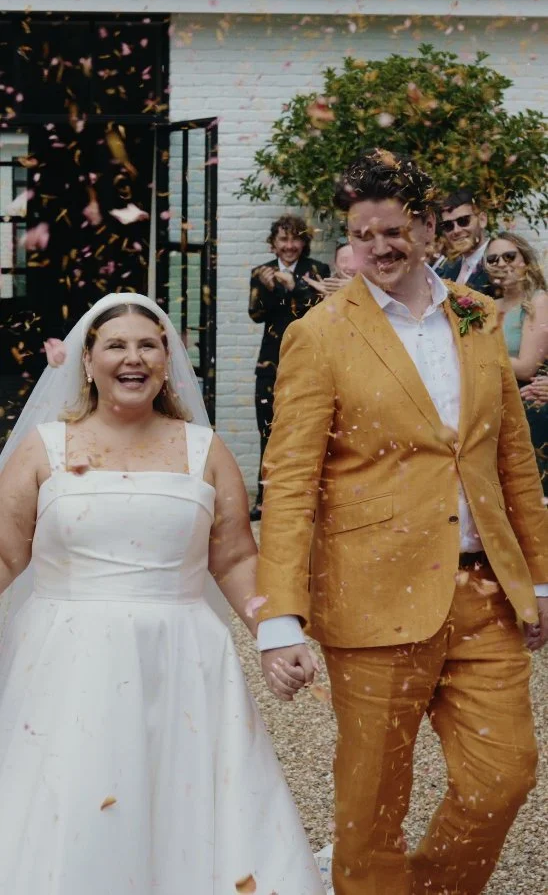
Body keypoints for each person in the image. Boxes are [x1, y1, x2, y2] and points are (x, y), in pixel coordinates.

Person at [255, 150, 548, 895]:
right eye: (363, 234)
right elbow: (290, 482)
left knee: (504, 776)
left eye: (393, 231)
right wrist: (280, 615)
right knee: (372, 803)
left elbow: (512, 458)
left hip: (484, 595)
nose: (379, 248)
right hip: (372, 595)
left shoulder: (477, 314)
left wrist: (540, 580)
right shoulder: (319, 334)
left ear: (426, 228)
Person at [0, 293, 324, 895]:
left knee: (183, 799)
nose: (134, 358)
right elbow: (5, 552)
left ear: (166, 360)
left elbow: (234, 557)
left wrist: (277, 635)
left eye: (148, 345)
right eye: (116, 346)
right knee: (73, 793)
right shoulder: (44, 448)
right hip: (66, 656)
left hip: (182, 656)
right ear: (88, 361)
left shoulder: (204, 449)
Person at [248, 214, 329, 520]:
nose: (289, 245)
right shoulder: (261, 272)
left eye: (295, 239)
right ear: (273, 243)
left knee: (306, 431)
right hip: (270, 363)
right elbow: (255, 314)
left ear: (304, 242)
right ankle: (264, 499)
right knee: (267, 430)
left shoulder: (318, 271)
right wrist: (269, 288)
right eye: (283, 239)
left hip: (308, 362)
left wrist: (294, 286)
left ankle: (303, 499)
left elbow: (319, 311)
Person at [484, 231, 548, 495]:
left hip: (527, 409)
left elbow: (526, 366)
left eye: (509, 256)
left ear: (525, 260)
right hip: (492, 412)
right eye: (493, 259)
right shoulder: (486, 306)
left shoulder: (537, 302)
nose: (501, 263)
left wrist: (478, 356)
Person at [435, 188, 495, 295]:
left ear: (482, 220)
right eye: (448, 225)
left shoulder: (500, 263)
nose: (456, 230)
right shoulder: (448, 270)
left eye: (463, 221)